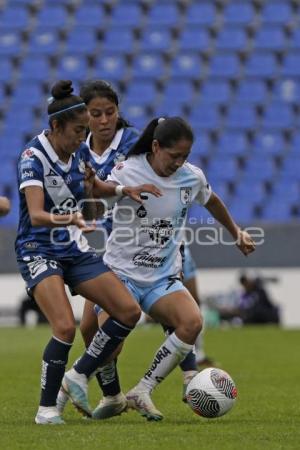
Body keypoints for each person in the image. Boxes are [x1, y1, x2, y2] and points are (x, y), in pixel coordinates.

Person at [62, 117, 255, 421]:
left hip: (161, 277)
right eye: (173, 155)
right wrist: (90, 193)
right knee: (105, 345)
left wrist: (236, 232)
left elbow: (213, 201)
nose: (179, 163)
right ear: (155, 147)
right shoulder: (128, 170)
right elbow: (97, 210)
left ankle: (142, 390)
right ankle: (103, 393)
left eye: (185, 157)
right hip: (120, 274)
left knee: (192, 322)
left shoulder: (191, 177)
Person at [56, 81, 214, 419]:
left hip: (152, 244)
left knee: (157, 309)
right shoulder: (79, 148)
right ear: (85, 116)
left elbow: (171, 184)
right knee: (91, 329)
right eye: (95, 114)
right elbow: (90, 205)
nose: (103, 120)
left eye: (109, 112)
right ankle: (113, 396)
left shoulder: (133, 144)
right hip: (113, 246)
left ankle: (185, 375)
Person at [15, 79, 161, 425]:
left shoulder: (78, 151)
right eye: (78, 131)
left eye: (85, 131)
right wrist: (72, 218)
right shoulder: (32, 157)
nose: (84, 138)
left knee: (127, 312)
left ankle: (81, 375)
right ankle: (47, 409)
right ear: (55, 127)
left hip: (74, 248)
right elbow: (35, 215)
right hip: (38, 248)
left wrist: (126, 189)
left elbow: (95, 186)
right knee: (65, 326)